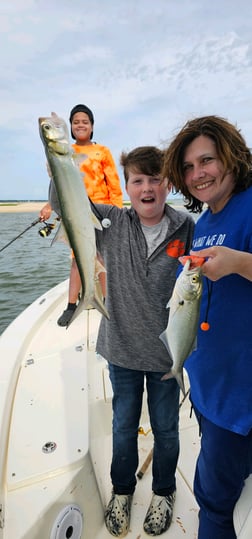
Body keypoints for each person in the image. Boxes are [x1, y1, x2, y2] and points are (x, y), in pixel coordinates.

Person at [92, 146, 195, 537]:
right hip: (121, 349)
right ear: (126, 185)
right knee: (123, 426)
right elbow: (62, 201)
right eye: (138, 180)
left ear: (168, 183)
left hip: (168, 354)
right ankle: (122, 490)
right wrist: (65, 155)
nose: (148, 188)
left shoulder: (185, 225)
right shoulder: (110, 220)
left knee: (167, 429)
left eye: (156, 179)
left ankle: (164, 491)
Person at [162, 115, 252, 539]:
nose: (198, 174)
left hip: (239, 392)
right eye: (189, 167)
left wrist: (237, 262)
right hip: (206, 381)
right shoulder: (205, 223)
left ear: (232, 157)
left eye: (207, 160)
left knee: (213, 506)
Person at [39, 103, 123, 326]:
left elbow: (114, 184)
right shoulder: (67, 151)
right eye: (75, 122)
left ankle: (107, 300)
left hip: (102, 213)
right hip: (76, 215)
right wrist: (49, 205)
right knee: (77, 260)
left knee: (102, 258)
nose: (80, 125)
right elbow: (60, 185)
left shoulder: (102, 151)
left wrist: (117, 212)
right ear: (70, 127)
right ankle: (71, 304)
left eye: (85, 121)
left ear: (92, 126)